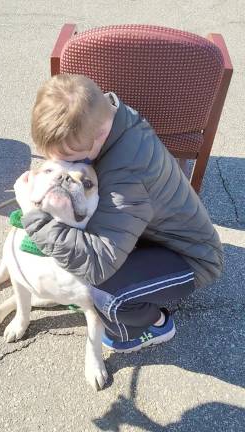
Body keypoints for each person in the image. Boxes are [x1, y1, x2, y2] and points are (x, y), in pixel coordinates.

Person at [14, 74, 223, 353]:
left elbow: (98, 265)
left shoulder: (126, 176)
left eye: (71, 157)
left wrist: (33, 216)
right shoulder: (107, 114)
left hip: (193, 260)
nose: (66, 165)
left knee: (105, 290)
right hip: (155, 234)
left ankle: (155, 325)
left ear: (99, 135)